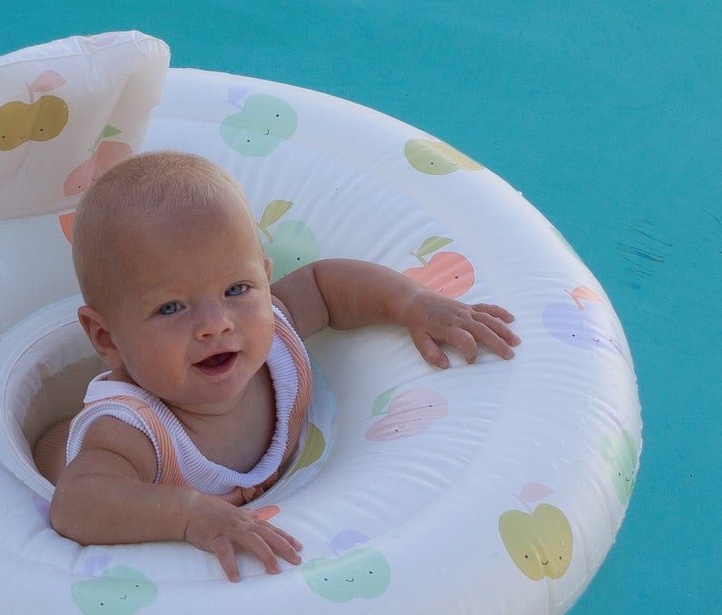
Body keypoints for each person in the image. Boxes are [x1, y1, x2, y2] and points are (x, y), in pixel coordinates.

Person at [34, 151, 519, 579]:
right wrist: (188, 514)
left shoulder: (275, 336)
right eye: (170, 308)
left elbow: (326, 284)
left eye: (236, 290)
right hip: (61, 456)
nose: (215, 324)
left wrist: (414, 303)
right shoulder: (128, 433)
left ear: (265, 280)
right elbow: (78, 502)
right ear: (105, 337)